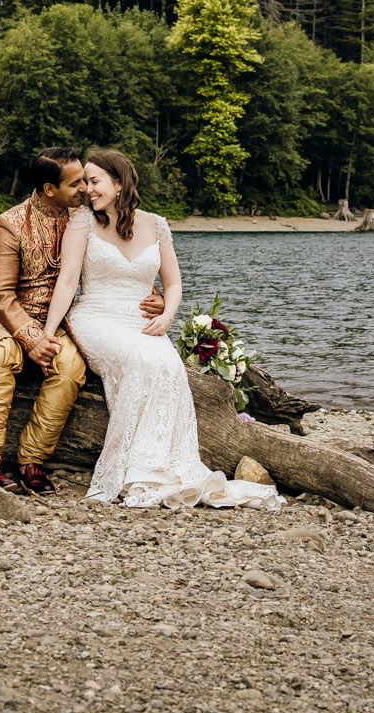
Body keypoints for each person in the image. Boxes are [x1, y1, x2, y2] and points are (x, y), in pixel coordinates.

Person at [41, 148, 281, 510]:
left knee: (169, 368)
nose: (87, 190)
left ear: (119, 183)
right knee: (139, 362)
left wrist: (167, 315)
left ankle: (164, 468)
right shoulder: (81, 222)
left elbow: (174, 284)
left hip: (142, 320)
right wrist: (47, 331)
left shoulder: (156, 224)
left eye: (95, 181)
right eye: (85, 182)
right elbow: (68, 280)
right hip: (94, 316)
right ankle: (133, 470)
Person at [0, 147, 163, 494]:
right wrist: (32, 337)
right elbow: (0, 294)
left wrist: (152, 295)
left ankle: (31, 461)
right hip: (7, 317)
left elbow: (120, 264)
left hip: (61, 320)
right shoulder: (11, 222)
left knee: (70, 367)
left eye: (85, 179)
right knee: (0, 357)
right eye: (76, 183)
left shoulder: (86, 218)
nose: (85, 188)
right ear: (50, 190)